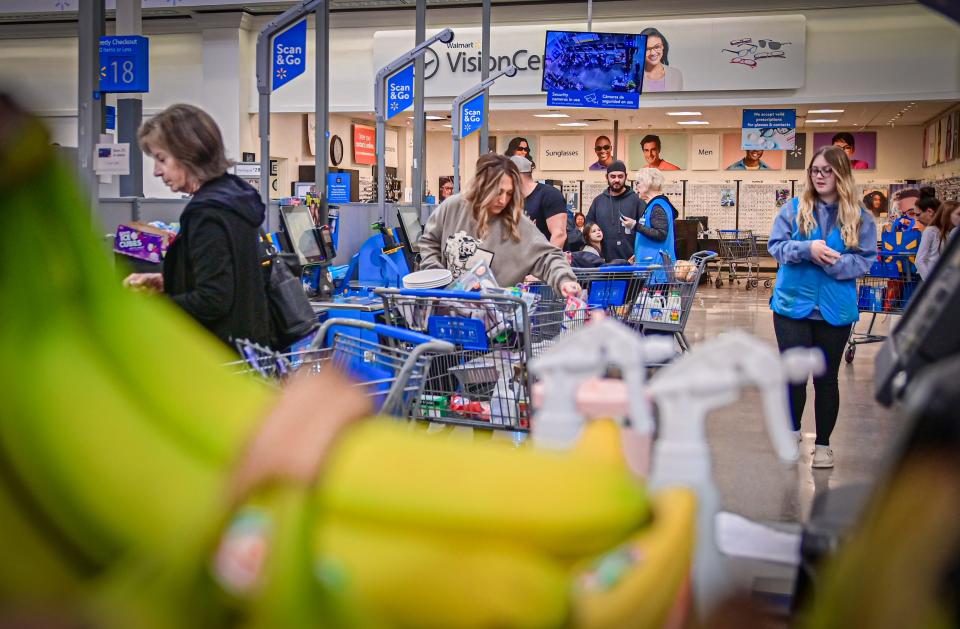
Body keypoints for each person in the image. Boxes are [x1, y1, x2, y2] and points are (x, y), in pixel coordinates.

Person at [123, 103, 273, 349]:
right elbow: (227, 278)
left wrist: (149, 307)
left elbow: (214, 300)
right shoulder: (234, 196)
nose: (156, 172)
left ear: (188, 153)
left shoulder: (207, 213)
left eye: (161, 159)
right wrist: (169, 282)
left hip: (217, 355)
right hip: (249, 347)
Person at [768, 145, 878, 469]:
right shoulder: (793, 208)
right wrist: (807, 249)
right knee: (794, 376)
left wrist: (833, 262)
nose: (819, 176)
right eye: (815, 170)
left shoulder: (860, 216)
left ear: (841, 173)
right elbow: (776, 246)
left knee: (826, 379)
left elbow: (865, 260)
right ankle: (791, 433)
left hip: (835, 310)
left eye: (827, 170)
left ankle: (824, 445)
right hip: (791, 307)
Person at [419, 153, 581, 296]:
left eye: (509, 193)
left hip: (496, 317)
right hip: (447, 310)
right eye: (498, 192)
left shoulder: (516, 223)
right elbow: (429, 242)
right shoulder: (452, 207)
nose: (503, 200)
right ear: (482, 186)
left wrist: (564, 280)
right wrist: (436, 277)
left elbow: (547, 256)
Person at [586, 160, 645, 262]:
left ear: (626, 177)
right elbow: (588, 228)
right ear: (607, 177)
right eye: (613, 176)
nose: (617, 180)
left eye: (620, 176)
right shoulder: (598, 201)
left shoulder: (637, 200)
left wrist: (639, 254)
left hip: (632, 263)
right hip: (603, 263)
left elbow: (645, 229)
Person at [511, 155, 567, 249]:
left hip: (544, 260)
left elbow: (559, 235)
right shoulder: (512, 199)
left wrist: (547, 262)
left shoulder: (549, 194)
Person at [628, 168, 677, 266]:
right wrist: (639, 253)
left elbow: (661, 234)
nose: (635, 187)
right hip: (652, 264)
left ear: (648, 183)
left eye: (637, 183)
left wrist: (635, 225)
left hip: (656, 269)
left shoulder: (657, 206)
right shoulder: (654, 204)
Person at [916, 200, 958, 280]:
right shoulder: (931, 231)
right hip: (931, 278)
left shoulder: (950, 232)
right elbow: (919, 260)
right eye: (958, 214)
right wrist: (929, 280)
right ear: (948, 215)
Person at [639, 27, 683, 92]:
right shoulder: (634, 76)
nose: (653, 53)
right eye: (647, 49)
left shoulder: (676, 74)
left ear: (663, 47)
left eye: (657, 47)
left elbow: (679, 101)